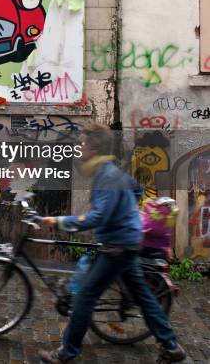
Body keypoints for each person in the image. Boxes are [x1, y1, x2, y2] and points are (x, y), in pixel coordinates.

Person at [39, 123, 186, 363]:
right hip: (127, 241)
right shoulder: (108, 171)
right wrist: (127, 212)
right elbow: (135, 189)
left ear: (94, 148)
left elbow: (98, 217)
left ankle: (67, 352)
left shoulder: (107, 176)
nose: (79, 148)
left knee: (85, 296)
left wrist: (58, 221)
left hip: (118, 246)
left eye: (82, 144)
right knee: (143, 297)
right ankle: (171, 346)